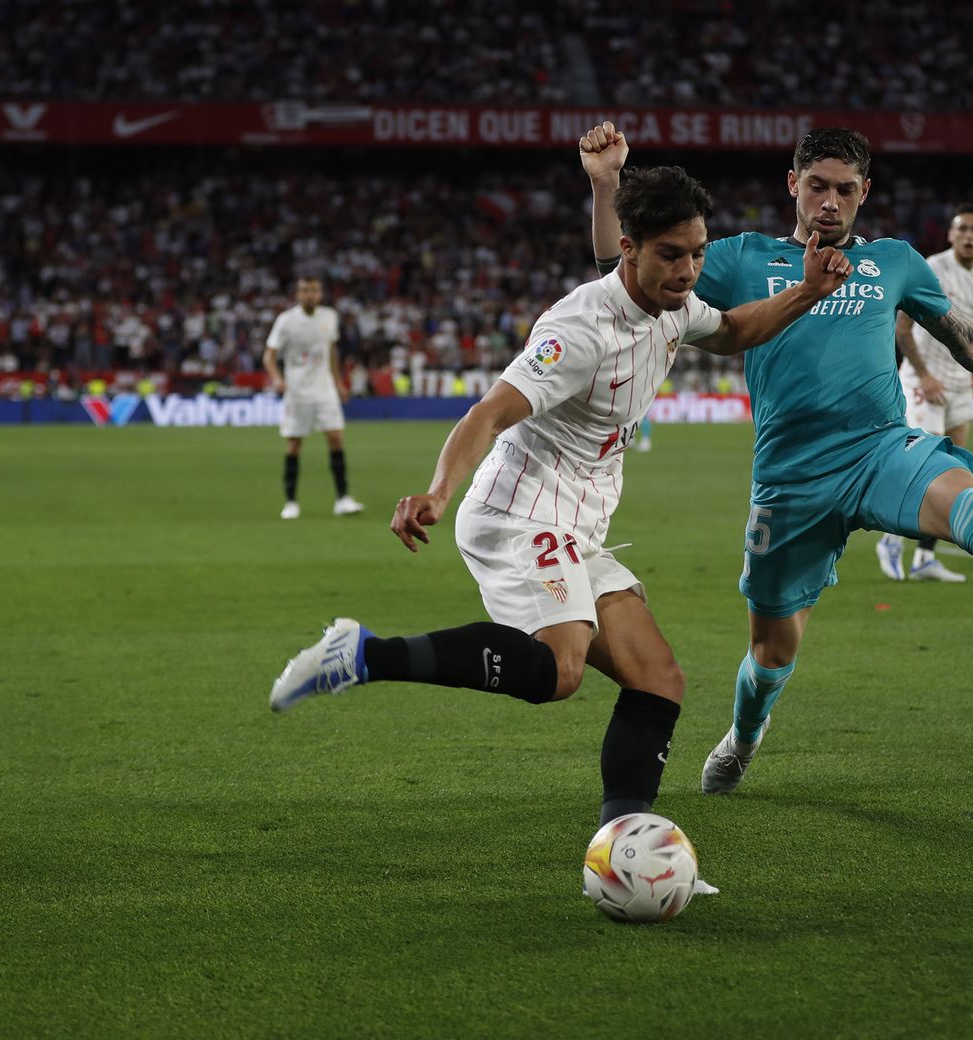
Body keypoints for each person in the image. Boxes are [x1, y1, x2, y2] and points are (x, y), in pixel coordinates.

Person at [579, 124, 973, 797]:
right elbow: (617, 277)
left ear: (865, 194)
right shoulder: (743, 257)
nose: (830, 201)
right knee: (772, 654)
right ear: (792, 184)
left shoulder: (892, 261)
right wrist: (606, 186)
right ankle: (744, 737)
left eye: (846, 190)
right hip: (790, 481)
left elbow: (968, 341)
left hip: (881, 451)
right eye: (819, 186)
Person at [267, 163, 852, 834]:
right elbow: (488, 413)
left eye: (696, 253)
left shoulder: (674, 306)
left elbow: (736, 330)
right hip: (518, 513)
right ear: (628, 247)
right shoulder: (578, 330)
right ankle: (360, 654)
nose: (688, 271)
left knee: (658, 678)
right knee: (559, 669)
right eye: (671, 255)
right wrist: (437, 490)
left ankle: (625, 850)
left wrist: (807, 291)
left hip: (580, 521)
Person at [875, 203, 973, 583]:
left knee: (955, 467)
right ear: (950, 234)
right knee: (920, 468)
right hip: (921, 380)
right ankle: (889, 539)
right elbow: (903, 326)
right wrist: (925, 375)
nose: (968, 236)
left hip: (961, 382)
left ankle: (924, 559)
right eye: (961, 229)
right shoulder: (932, 267)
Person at [263, 278, 362, 519]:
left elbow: (332, 351)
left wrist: (338, 382)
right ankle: (291, 502)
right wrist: (276, 378)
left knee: (336, 438)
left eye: (314, 290)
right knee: (294, 444)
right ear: (298, 293)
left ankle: (343, 499)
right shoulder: (286, 321)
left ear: (320, 293)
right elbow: (269, 355)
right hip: (297, 391)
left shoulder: (329, 316)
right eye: (305, 290)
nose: (310, 294)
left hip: (324, 388)